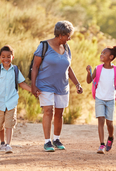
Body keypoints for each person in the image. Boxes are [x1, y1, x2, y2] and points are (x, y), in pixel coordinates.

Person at [31, 21, 83, 152]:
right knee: (49, 111)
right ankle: (47, 142)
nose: (69, 38)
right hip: (45, 85)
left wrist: (77, 84)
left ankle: (57, 139)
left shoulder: (66, 48)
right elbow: (35, 67)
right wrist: (33, 85)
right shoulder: (44, 46)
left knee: (59, 113)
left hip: (62, 86)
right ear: (60, 35)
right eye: (68, 36)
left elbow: (68, 68)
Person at [0, 45, 34, 153]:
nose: (6, 59)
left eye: (8, 56)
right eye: (3, 56)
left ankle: (8, 144)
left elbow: (22, 84)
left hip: (12, 101)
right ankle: (2, 142)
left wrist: (33, 90)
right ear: (0, 57)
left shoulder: (15, 70)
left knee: (9, 123)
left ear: (12, 57)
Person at [86, 46, 116, 154]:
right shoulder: (98, 68)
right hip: (99, 98)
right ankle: (101, 145)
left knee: (109, 124)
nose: (101, 54)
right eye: (101, 52)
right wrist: (88, 72)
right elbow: (89, 81)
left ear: (111, 57)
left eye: (104, 53)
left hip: (110, 100)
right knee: (101, 120)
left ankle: (110, 137)